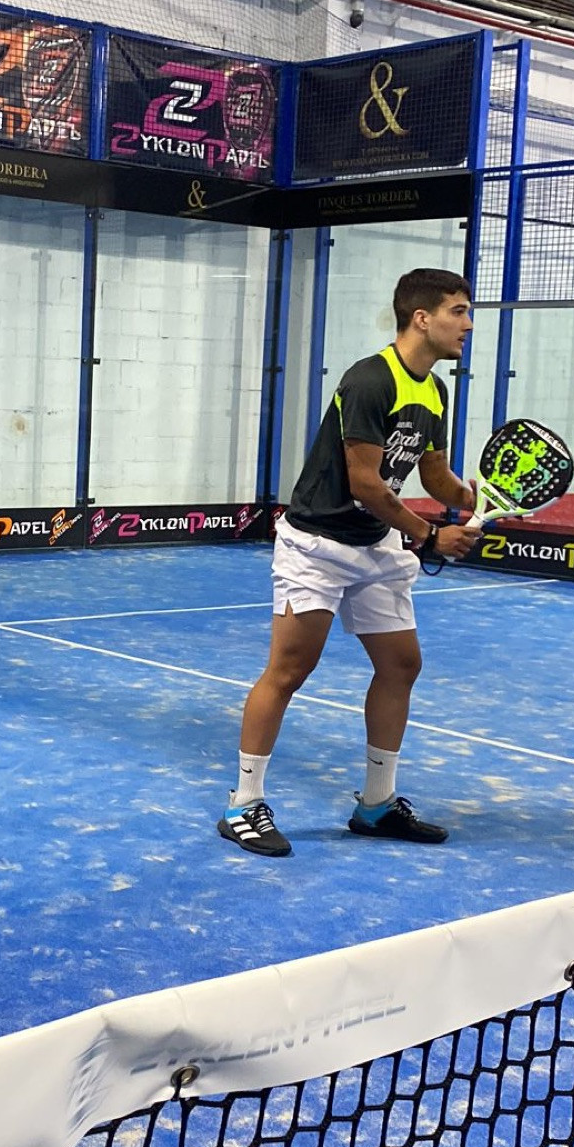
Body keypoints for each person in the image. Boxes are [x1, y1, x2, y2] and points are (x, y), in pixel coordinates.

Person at [220, 268, 481, 857]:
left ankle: (377, 805)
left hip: (376, 544)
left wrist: (471, 499)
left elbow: (433, 474)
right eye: (459, 311)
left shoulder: (435, 391)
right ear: (422, 318)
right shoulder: (369, 380)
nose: (467, 324)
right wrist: (429, 536)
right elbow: (365, 482)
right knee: (290, 669)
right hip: (318, 544)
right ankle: (243, 804)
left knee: (401, 665)